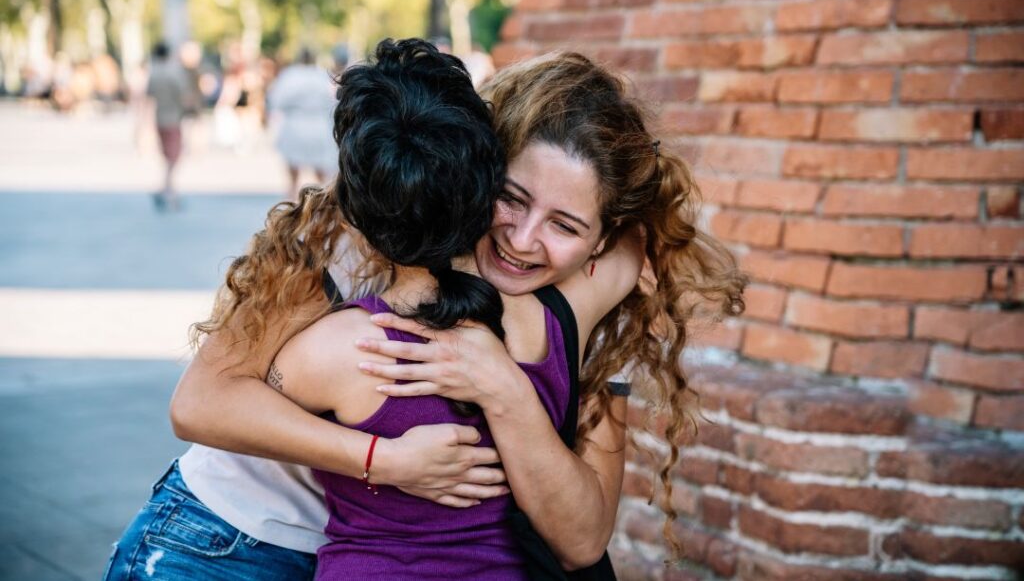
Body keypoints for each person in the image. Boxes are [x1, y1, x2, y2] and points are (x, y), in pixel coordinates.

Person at [108, 42, 743, 579]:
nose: (522, 240)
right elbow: (200, 403)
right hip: (227, 538)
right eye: (511, 198)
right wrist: (384, 461)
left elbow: (582, 538)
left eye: (566, 224)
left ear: (602, 239)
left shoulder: (593, 309)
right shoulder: (372, 234)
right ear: (478, 168)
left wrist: (504, 387)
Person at [267, 49, 338, 199]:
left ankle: (292, 194)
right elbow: (332, 100)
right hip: (317, 123)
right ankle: (326, 197)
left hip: (295, 123)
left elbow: (277, 99)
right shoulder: (321, 75)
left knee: (293, 164)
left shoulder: (290, 75)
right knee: (321, 167)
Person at [146, 42, 189, 211]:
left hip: (159, 117)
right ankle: (167, 189)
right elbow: (182, 95)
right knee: (174, 156)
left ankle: (167, 188)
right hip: (173, 118)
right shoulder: (173, 74)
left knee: (167, 156)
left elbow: (148, 97)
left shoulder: (153, 74)